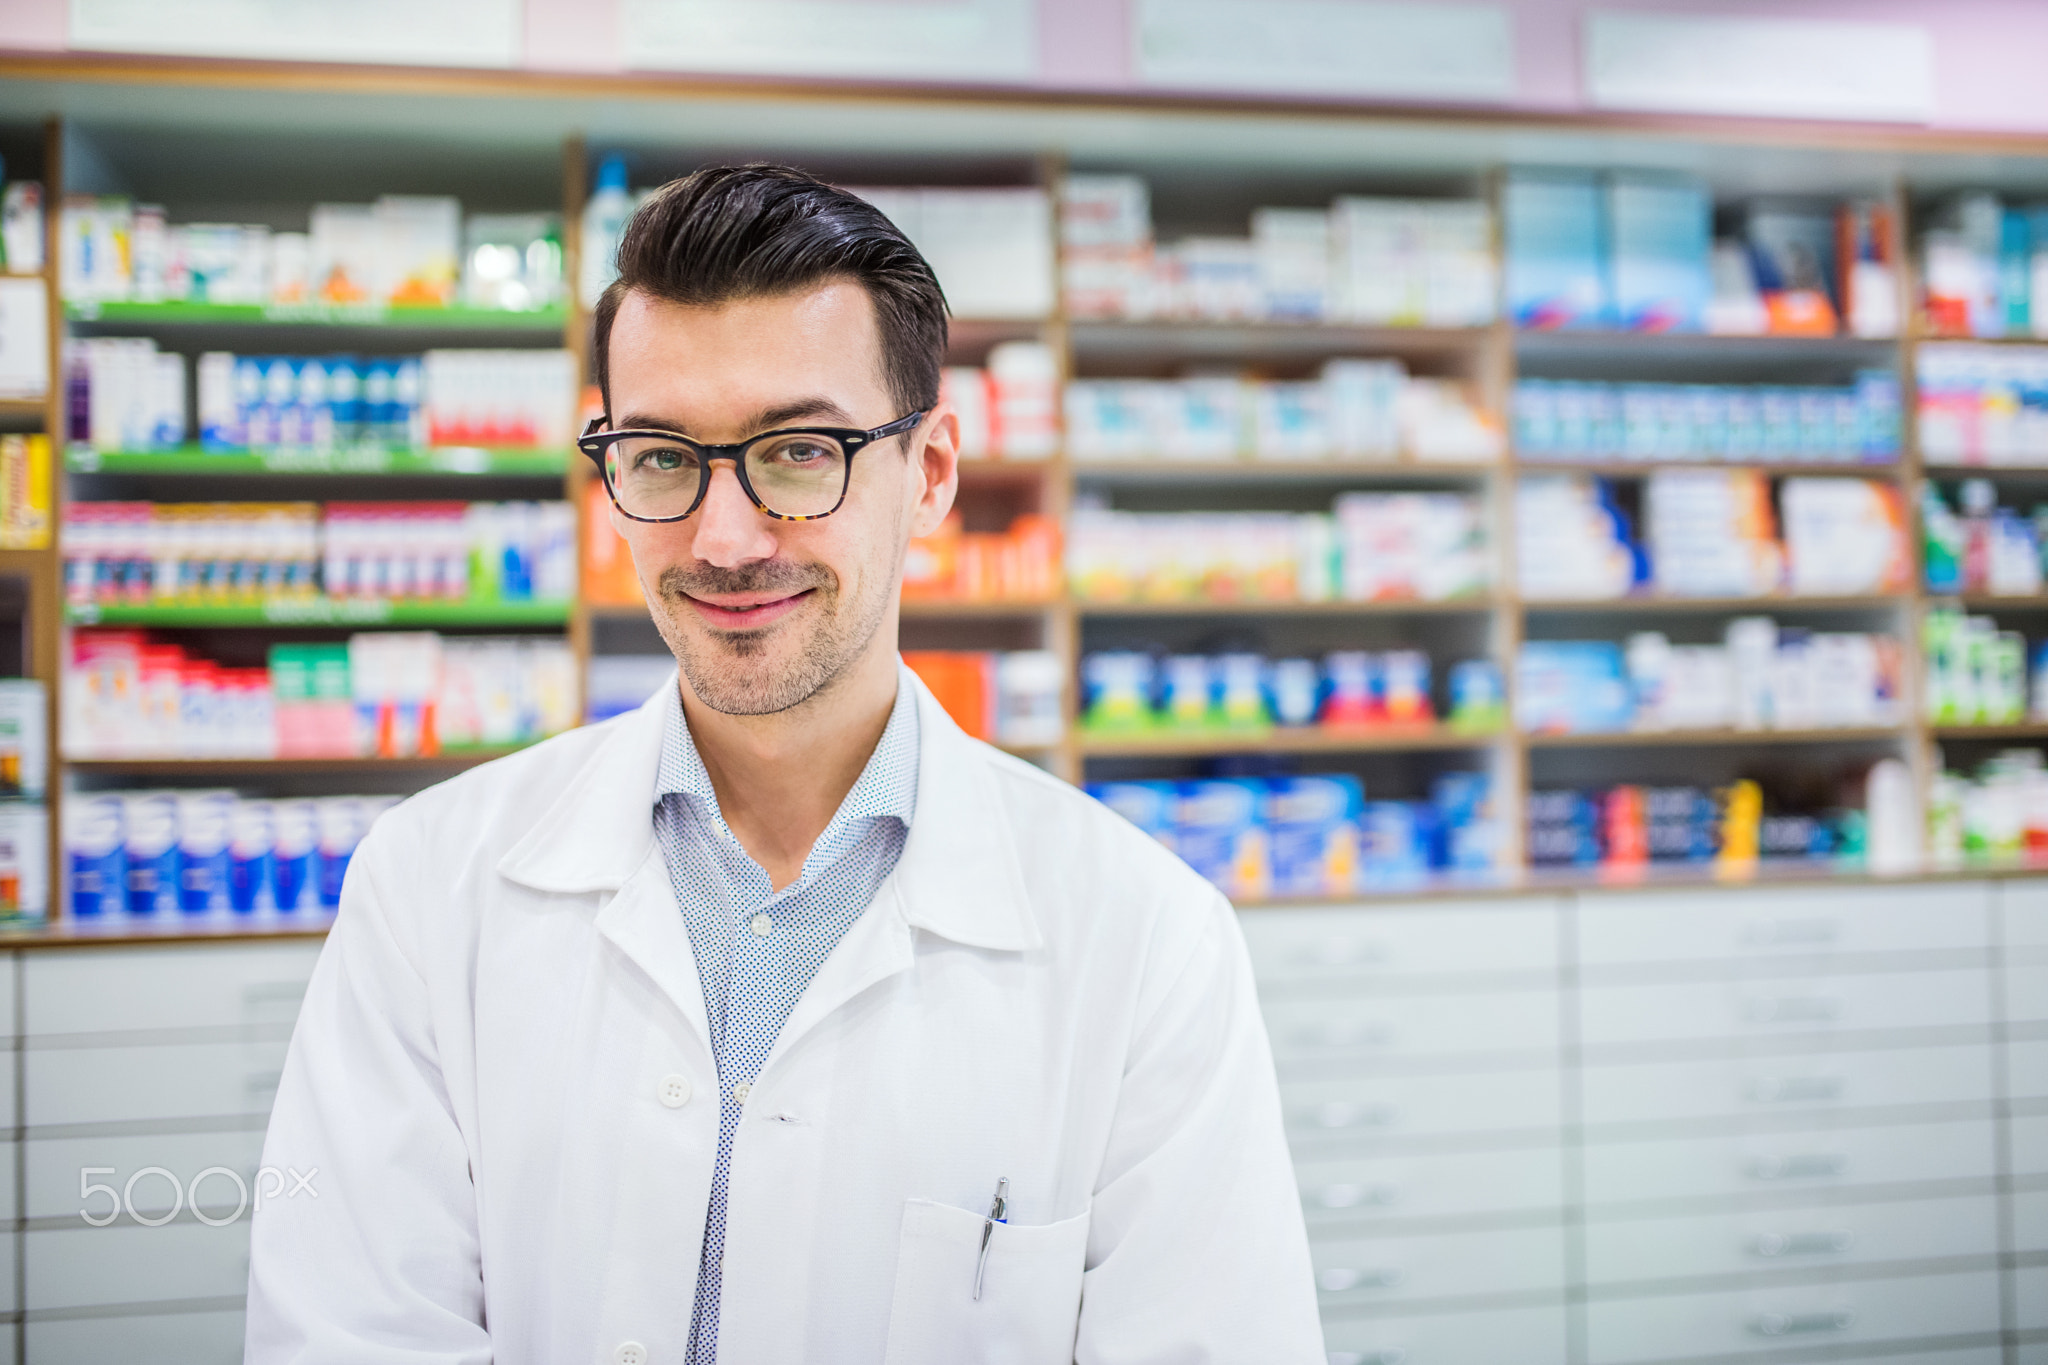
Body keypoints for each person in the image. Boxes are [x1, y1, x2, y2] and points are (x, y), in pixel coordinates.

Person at [246, 163, 1322, 1365]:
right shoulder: (429, 885)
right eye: (659, 456)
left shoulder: (1145, 939)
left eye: (799, 451)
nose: (721, 538)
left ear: (930, 476)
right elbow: (350, 1334)